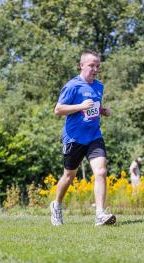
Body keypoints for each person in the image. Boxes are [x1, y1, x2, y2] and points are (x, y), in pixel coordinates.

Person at [50, 50, 116, 226]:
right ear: (81, 65)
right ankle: (56, 205)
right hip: (74, 138)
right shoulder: (72, 86)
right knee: (69, 177)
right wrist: (79, 106)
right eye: (92, 65)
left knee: (101, 172)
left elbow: (94, 107)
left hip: (94, 135)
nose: (95, 69)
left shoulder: (99, 86)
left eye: (98, 66)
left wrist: (103, 110)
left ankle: (100, 215)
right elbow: (58, 110)